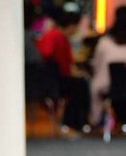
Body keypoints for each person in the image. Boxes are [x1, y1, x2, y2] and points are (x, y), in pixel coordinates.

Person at [36, 9, 91, 137]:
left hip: (48, 80)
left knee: (79, 84)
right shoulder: (58, 38)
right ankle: (73, 124)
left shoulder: (50, 35)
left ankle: (75, 124)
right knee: (80, 86)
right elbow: (63, 64)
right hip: (54, 82)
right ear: (71, 25)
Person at [90, 4, 126, 129]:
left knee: (93, 86)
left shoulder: (104, 43)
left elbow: (95, 64)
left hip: (107, 86)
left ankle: (96, 121)